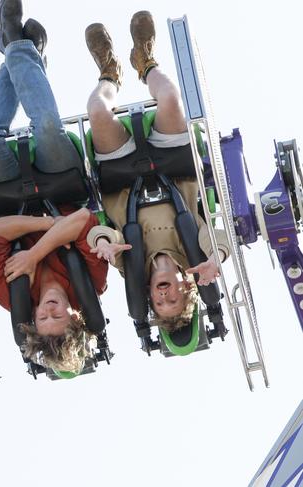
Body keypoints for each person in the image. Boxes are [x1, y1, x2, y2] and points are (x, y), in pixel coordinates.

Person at [0, 0, 109, 374]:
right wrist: (36, 251)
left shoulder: (7, 294)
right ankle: (17, 43)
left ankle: (17, 45)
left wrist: (48, 230)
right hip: (63, 187)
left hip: (8, 201)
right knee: (47, 125)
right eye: (59, 316)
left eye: (43, 318)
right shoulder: (92, 283)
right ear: (76, 315)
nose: (49, 310)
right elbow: (83, 218)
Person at [82, 11, 229, 332]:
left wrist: (104, 243)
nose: (163, 296)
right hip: (175, 172)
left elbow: (102, 234)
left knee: (97, 112)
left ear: (148, 293)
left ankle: (109, 73)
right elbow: (213, 236)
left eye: (158, 303)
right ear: (186, 287)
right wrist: (216, 257)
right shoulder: (193, 252)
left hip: (122, 181)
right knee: (173, 100)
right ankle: (145, 61)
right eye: (172, 300)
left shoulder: (131, 266)